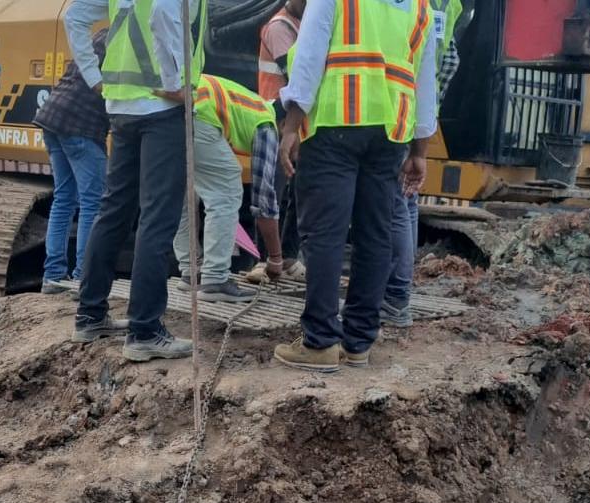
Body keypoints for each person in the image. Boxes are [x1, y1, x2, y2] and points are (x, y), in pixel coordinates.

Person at [272, 0, 438, 372]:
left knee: (325, 233)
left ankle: (319, 343)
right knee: (375, 232)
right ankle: (359, 342)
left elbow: (310, 51)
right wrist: (420, 149)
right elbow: (426, 79)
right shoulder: (420, 5)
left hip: (335, 122)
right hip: (390, 131)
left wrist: (292, 122)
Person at [66, 0, 207, 362]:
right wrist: (174, 82)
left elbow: (74, 16)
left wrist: (93, 77)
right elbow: (162, 11)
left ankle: (90, 314)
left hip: (122, 105)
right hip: (161, 108)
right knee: (157, 217)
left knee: (114, 210)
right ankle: (144, 329)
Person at [381, 0, 463, 327]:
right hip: (417, 103)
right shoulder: (445, 4)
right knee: (408, 201)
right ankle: (399, 292)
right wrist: (432, 98)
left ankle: (396, 295)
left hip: (400, 104)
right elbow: (450, 56)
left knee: (397, 204)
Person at [174, 75, 285, 302]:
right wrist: (275, 257)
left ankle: (191, 273)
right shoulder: (267, 125)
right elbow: (263, 199)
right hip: (200, 113)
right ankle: (215, 280)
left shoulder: (251, 104)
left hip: (175, 108)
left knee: (186, 195)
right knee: (225, 192)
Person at [34, 28, 110, 294]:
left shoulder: (103, 34)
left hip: (52, 117)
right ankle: (82, 277)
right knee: (93, 202)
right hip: (81, 126)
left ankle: (53, 275)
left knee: (64, 198)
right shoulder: (129, 42)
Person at [245, 0, 307, 284]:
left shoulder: (300, 23)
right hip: (277, 120)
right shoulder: (279, 27)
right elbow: (298, 78)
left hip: (297, 124)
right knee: (271, 193)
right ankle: (262, 259)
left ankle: (289, 255)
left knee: (298, 194)